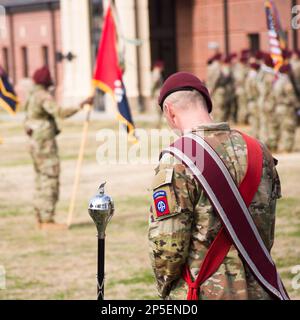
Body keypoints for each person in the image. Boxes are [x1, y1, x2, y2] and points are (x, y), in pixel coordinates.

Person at [148, 72, 286, 300]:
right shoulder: (258, 150)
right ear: (208, 99)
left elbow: (168, 248)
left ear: (169, 112)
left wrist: (166, 288)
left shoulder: (177, 159)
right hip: (262, 287)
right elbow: (266, 228)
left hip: (206, 291)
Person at [24, 66, 93, 230]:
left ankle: (40, 217)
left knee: (40, 179)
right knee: (50, 178)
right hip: (44, 144)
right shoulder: (42, 96)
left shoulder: (32, 94)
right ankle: (47, 219)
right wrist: (81, 104)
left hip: (35, 143)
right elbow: (60, 112)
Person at [274, 64, 298, 153]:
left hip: (278, 107)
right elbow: (291, 96)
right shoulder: (286, 82)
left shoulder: (277, 81)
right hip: (287, 107)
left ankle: (283, 146)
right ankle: (287, 148)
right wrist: (297, 105)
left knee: (282, 127)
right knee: (289, 127)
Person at [151, 60, 165, 128]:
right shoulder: (156, 72)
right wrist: (152, 92)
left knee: (159, 110)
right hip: (157, 94)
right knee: (158, 110)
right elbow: (155, 82)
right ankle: (157, 124)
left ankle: (158, 124)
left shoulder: (156, 72)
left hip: (158, 93)